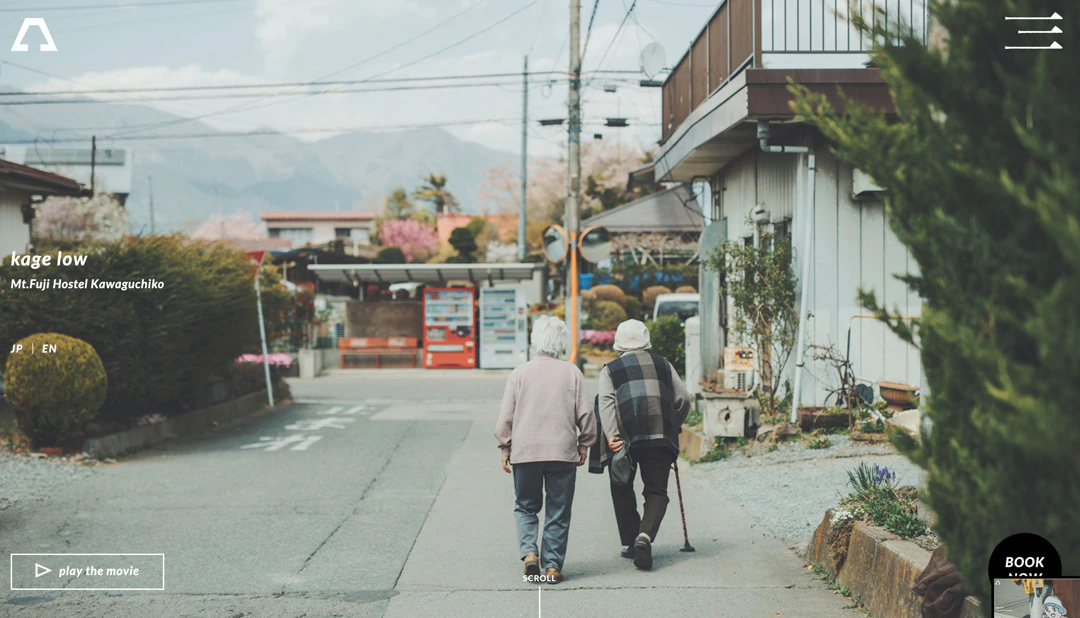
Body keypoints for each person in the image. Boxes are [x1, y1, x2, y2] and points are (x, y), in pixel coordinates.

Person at [494, 315, 596, 584]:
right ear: (561, 342)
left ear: (534, 340)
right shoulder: (572, 372)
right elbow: (585, 415)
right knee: (558, 510)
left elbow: (506, 417)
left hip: (525, 452)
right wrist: (585, 443)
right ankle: (552, 567)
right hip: (562, 451)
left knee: (526, 506)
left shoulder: (519, 373)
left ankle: (529, 553)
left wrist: (505, 447)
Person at [596, 319, 691, 570]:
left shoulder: (610, 369)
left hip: (624, 438)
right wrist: (675, 423)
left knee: (622, 486)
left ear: (618, 343)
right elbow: (683, 398)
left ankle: (630, 542)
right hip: (660, 434)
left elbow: (605, 403)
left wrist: (611, 436)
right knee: (656, 490)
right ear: (646, 340)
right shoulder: (663, 364)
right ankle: (644, 537)